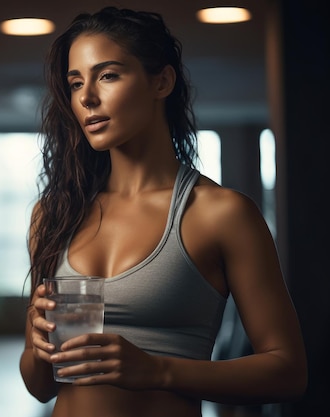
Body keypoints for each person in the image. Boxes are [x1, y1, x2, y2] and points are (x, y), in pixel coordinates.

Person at [19, 7, 307, 417]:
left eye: (108, 75)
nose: (86, 98)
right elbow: (40, 387)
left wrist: (157, 370)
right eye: (75, 82)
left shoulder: (219, 214)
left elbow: (289, 372)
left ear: (162, 81)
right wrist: (38, 344)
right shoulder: (54, 213)